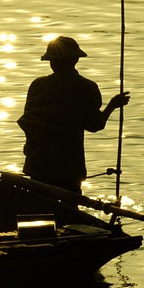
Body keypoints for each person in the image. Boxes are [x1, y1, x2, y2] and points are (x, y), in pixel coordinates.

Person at [17, 36, 129, 193]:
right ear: (75, 59)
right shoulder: (85, 87)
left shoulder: (38, 85)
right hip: (68, 169)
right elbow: (95, 125)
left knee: (39, 207)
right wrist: (112, 105)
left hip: (38, 165)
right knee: (68, 211)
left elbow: (29, 122)